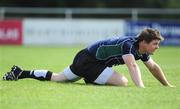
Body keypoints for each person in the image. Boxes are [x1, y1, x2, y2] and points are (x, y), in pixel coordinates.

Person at [3, 28, 173, 88]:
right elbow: (132, 67)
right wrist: (141, 87)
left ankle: (21, 72)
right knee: (123, 82)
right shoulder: (129, 45)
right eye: (155, 44)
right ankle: (91, 80)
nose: (157, 47)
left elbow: (153, 67)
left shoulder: (141, 49)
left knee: (57, 78)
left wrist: (167, 85)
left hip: (84, 58)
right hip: (90, 61)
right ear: (144, 42)